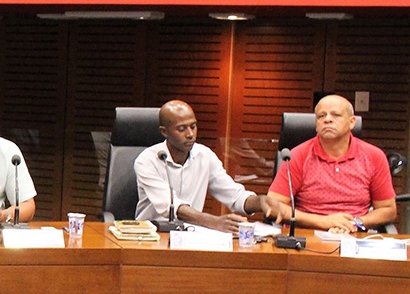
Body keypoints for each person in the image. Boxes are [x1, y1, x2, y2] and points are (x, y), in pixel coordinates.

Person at [134, 100, 273, 232]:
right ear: (164, 132)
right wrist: (214, 222)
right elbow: (171, 206)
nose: (190, 134)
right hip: (150, 236)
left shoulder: (205, 156)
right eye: (181, 129)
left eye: (193, 126)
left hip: (190, 236)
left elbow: (234, 195)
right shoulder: (147, 161)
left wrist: (261, 202)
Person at [267, 94, 396, 234]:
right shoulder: (298, 155)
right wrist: (322, 221)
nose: (327, 119)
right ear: (316, 125)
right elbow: (273, 206)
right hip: (307, 237)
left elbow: (388, 209)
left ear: (352, 122)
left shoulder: (374, 156)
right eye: (321, 116)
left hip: (353, 236)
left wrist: (356, 222)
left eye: (336, 115)